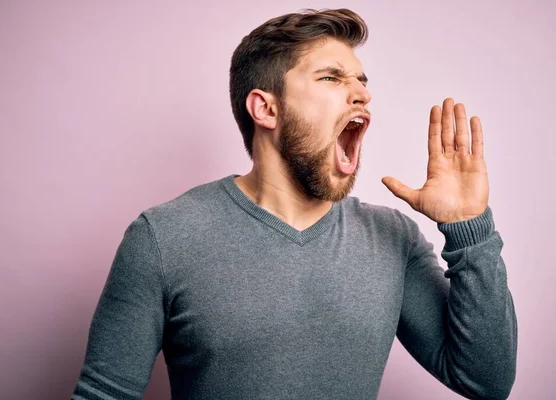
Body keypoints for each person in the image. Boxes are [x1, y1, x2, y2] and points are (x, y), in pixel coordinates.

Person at [72, 8, 517, 400]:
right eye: (331, 78)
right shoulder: (163, 238)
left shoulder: (393, 238)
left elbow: (484, 381)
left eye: (361, 81)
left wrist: (469, 227)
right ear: (266, 109)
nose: (362, 93)